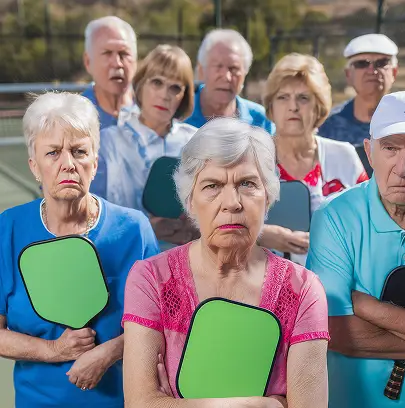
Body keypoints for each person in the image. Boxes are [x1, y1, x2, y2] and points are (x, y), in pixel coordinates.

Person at [122, 117, 329, 408]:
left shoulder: (303, 290)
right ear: (190, 200)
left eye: (247, 184)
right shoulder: (151, 278)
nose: (232, 202)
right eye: (213, 185)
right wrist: (265, 405)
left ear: (268, 197)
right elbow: (140, 404)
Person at [0, 92, 159, 408]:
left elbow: (160, 325)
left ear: (95, 162)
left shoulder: (134, 230)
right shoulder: (9, 228)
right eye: (53, 153)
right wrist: (55, 350)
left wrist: (107, 352)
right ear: (34, 166)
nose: (68, 164)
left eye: (79, 151)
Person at [307, 91, 405, 408]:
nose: (403, 167)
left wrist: (369, 308)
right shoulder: (333, 217)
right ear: (369, 153)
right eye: (390, 149)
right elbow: (333, 330)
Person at [258, 53, 368, 264]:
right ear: (271, 107)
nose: (293, 107)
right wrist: (260, 235)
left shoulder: (344, 156)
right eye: (283, 97)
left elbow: (369, 222)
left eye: (303, 98)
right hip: (262, 281)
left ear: (319, 107)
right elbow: (221, 224)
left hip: (336, 278)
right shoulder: (249, 158)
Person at [90, 45, 198, 247]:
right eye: (157, 82)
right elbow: (92, 217)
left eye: (175, 87)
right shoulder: (106, 143)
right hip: (127, 260)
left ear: (185, 95)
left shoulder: (198, 141)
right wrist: (145, 227)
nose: (165, 95)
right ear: (140, 84)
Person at [184, 29, 274, 134]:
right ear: (201, 70)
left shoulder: (260, 120)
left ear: (245, 73)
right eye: (218, 66)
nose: (226, 77)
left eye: (234, 68)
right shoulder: (180, 112)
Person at [318, 33, 398, 147]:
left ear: (394, 72)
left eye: (381, 63)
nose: (372, 71)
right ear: (348, 74)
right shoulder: (328, 125)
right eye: (362, 64)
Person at [82, 16, 137, 129]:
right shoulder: (72, 117)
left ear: (135, 61)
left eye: (124, 53)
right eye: (107, 53)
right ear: (88, 62)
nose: (117, 63)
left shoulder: (155, 112)